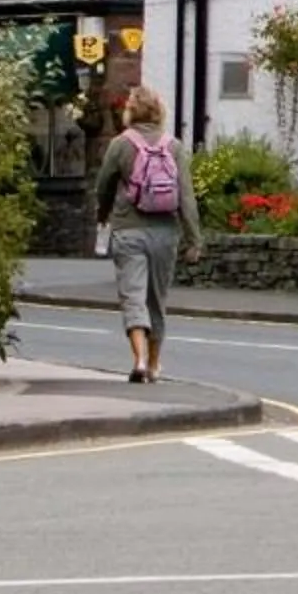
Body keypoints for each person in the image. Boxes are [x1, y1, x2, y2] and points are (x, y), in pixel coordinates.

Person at [90, 87, 202, 383]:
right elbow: (187, 198)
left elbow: (103, 186)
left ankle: (137, 360)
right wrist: (194, 239)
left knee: (133, 297)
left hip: (128, 231)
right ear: (158, 112)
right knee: (156, 300)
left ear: (130, 112)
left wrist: (102, 216)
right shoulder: (174, 146)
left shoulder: (120, 145)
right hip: (165, 234)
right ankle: (154, 364)